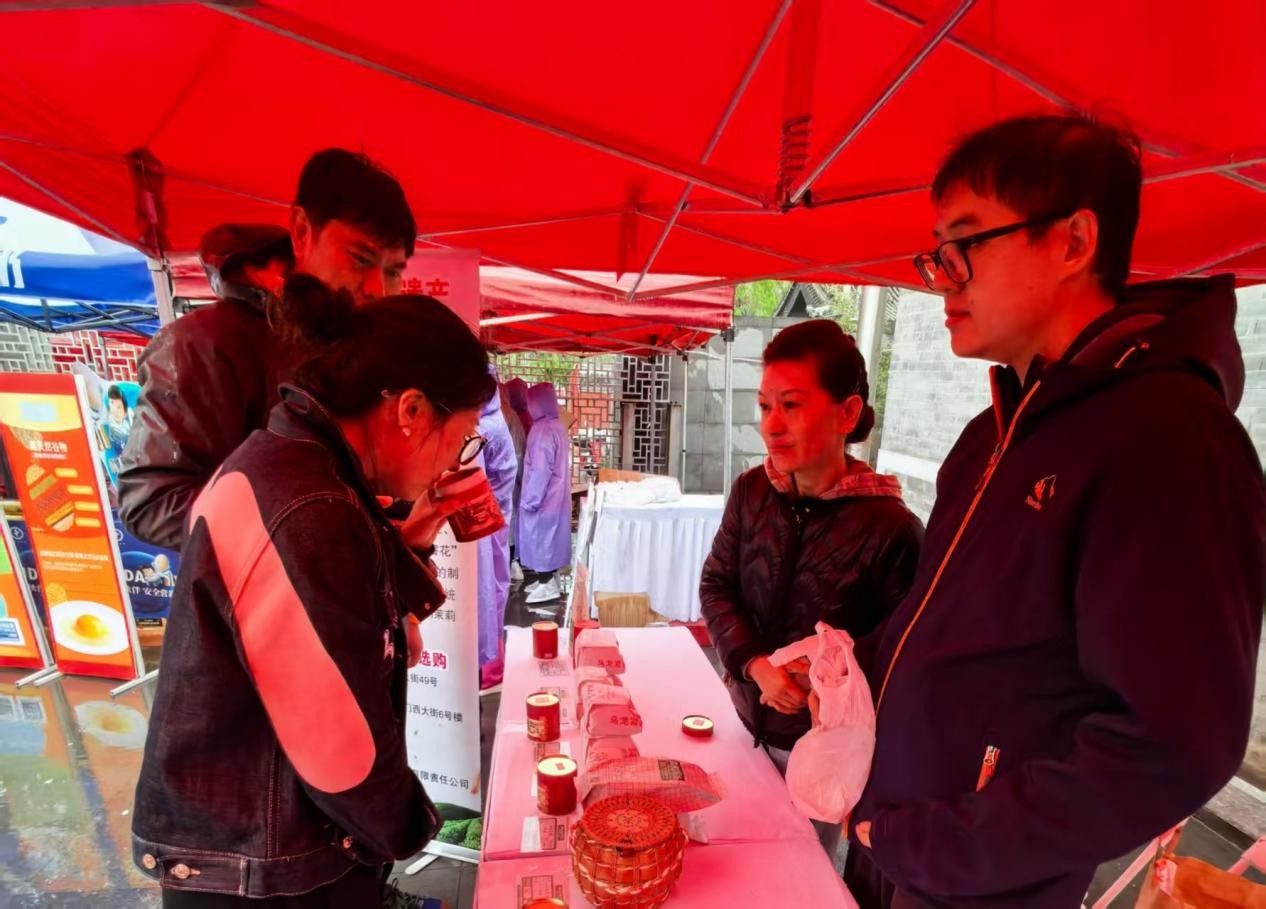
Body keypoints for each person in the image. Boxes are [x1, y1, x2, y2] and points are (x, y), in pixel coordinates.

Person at [845, 114, 1266, 908]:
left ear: (1073, 242)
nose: (943, 277)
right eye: (937, 252)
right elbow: (957, 628)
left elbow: (1172, 743)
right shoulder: (991, 434)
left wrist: (945, 845)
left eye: (966, 243)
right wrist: (847, 666)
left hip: (984, 881)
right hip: (898, 842)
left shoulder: (1170, 439)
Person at [131, 274, 496, 908]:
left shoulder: (291, 462)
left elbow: (321, 617)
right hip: (265, 865)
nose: (454, 460)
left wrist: (412, 536)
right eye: (462, 437)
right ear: (411, 411)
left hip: (260, 835)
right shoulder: (307, 504)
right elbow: (342, 752)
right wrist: (408, 828)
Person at [699, 320, 923, 858]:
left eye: (792, 406)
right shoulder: (752, 491)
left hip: (820, 752)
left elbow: (905, 653)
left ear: (847, 413)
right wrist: (755, 664)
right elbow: (717, 584)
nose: (771, 426)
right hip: (744, 718)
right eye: (765, 406)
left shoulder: (892, 529)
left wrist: (825, 675)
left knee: (796, 873)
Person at [118, 148, 415, 552]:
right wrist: (306, 524)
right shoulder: (203, 343)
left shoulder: (351, 348)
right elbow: (150, 502)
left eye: (393, 272)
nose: (377, 289)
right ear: (302, 232)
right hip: (258, 590)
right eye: (360, 259)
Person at [476, 370, 519, 691]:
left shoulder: (484, 429)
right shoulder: (496, 421)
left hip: (484, 524)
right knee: (494, 589)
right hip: (497, 520)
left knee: (485, 593)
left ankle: (487, 668)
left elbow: (469, 485)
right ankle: (492, 665)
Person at [519, 383, 571, 604]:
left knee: (541, 539)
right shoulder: (556, 425)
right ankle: (549, 579)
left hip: (543, 498)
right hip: (556, 497)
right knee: (551, 540)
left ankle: (546, 583)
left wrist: (531, 500)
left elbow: (540, 470)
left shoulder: (543, 431)